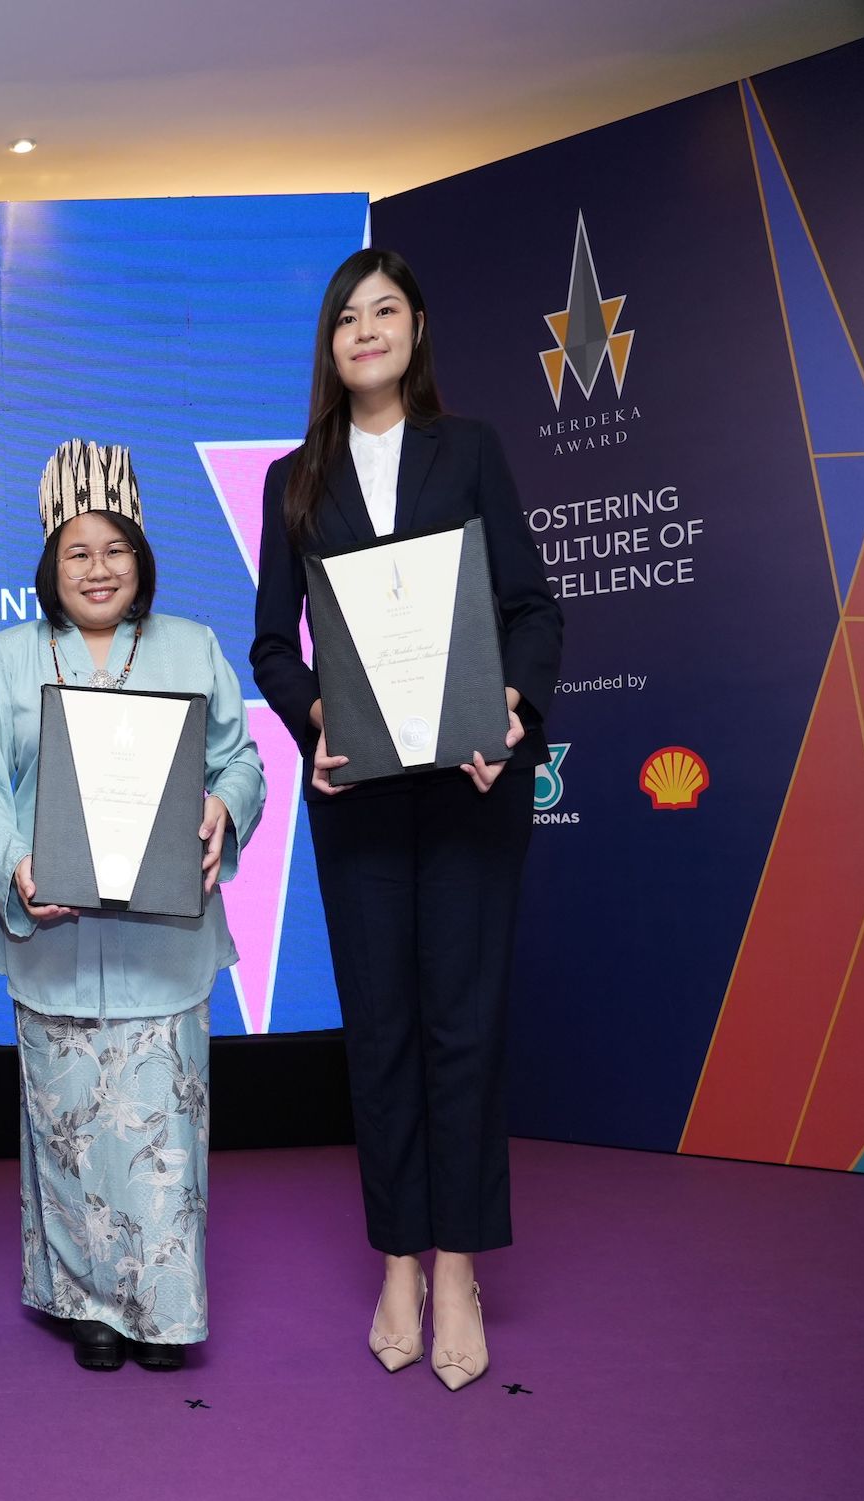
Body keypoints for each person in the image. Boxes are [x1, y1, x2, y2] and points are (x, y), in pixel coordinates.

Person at [250, 248, 563, 1391]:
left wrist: (509, 707)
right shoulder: (293, 478)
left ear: (416, 329)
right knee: (380, 1031)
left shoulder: (467, 448)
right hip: (359, 793)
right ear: (328, 344)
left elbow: (530, 607)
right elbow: (271, 644)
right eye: (345, 316)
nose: (364, 329)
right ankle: (397, 1258)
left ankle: (459, 1264)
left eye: (384, 310)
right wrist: (312, 717)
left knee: (461, 1027)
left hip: (472, 782)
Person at [0, 441, 264, 1372]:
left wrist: (224, 808)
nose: (98, 569)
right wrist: (13, 864)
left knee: (161, 1134)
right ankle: (87, 1304)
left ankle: (164, 1311)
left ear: (142, 556)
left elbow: (240, 760)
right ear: (50, 562)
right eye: (78, 552)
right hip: (53, 939)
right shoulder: (10, 658)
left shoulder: (191, 646)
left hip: (163, 944)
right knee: (69, 1134)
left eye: (116, 549)